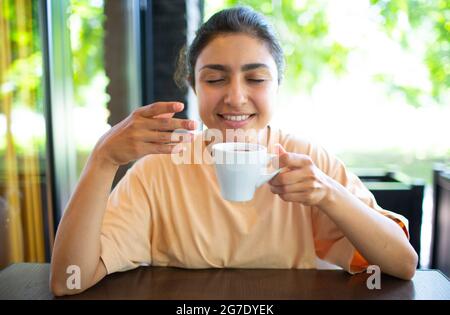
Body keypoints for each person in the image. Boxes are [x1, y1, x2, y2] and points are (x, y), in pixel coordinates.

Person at [50, 6, 417, 296]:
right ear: (193, 85)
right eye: (214, 79)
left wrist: (328, 194)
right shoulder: (159, 170)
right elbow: (69, 281)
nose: (236, 97)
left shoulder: (308, 161)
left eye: (256, 79)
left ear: (277, 85)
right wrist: (103, 158)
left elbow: (402, 264)